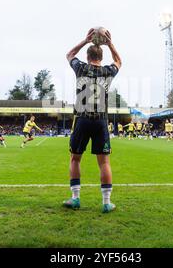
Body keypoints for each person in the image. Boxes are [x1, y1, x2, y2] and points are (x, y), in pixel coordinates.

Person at [63, 28, 122, 213]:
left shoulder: (80, 67)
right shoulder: (107, 71)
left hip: (82, 118)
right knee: (104, 162)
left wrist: (85, 40)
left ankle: (75, 199)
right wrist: (110, 43)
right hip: (100, 121)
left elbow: (69, 54)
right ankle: (106, 203)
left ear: (88, 56)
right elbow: (119, 61)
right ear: (101, 57)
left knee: (75, 159)